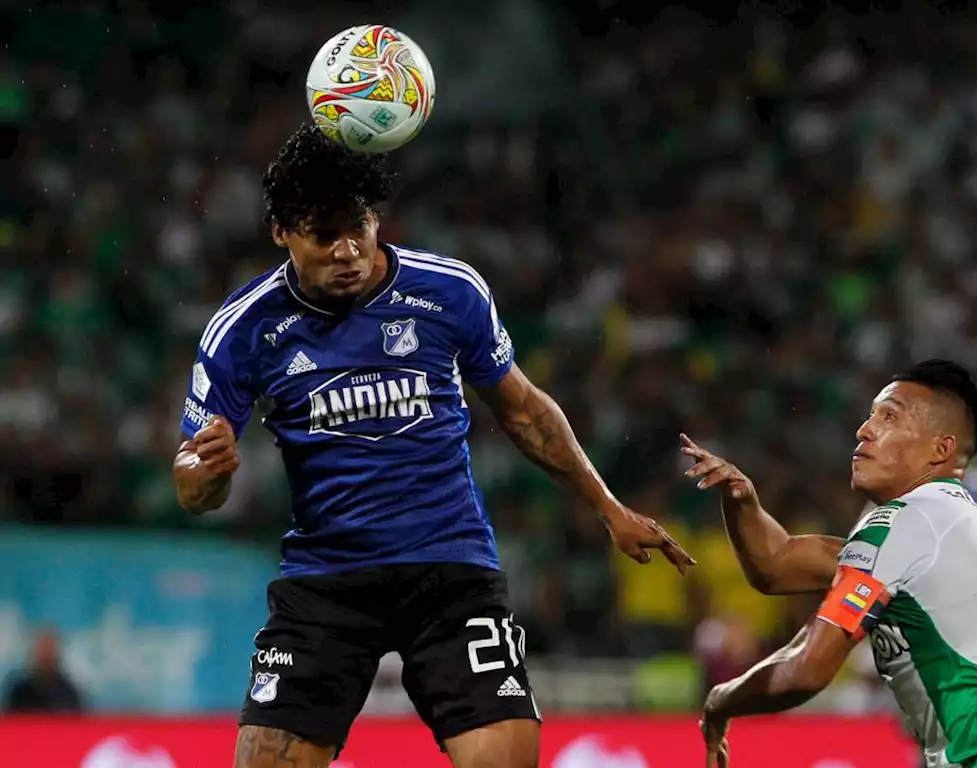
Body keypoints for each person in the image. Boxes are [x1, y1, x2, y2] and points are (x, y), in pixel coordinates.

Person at [172, 124, 694, 768]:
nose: (347, 250)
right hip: (328, 581)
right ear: (281, 232)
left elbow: (525, 412)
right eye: (323, 234)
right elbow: (193, 488)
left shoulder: (449, 291)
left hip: (449, 571)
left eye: (358, 227)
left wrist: (607, 506)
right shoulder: (243, 327)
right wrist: (208, 469)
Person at [681, 359, 977, 768]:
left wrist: (720, 700)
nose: (864, 429)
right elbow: (778, 565)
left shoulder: (905, 522)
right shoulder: (951, 527)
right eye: (871, 414)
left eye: (889, 416)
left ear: (940, 449)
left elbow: (806, 668)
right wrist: (741, 501)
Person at [3, 629, 84, 714]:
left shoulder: (68, 693)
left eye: (49, 648)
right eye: (42, 648)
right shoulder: (19, 692)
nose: (45, 654)